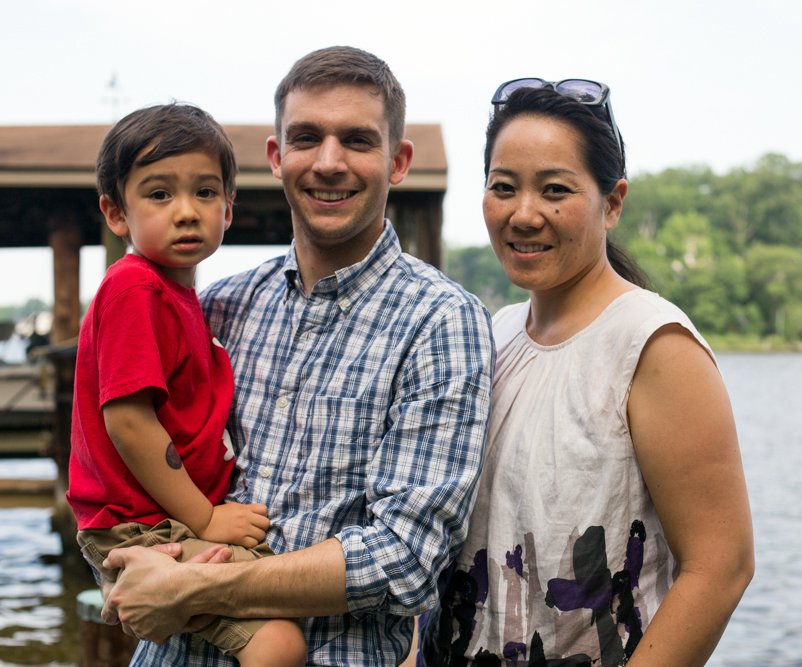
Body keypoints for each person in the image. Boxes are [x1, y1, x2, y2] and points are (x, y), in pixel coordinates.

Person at [100, 46, 495, 666]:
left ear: (398, 162)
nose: (329, 162)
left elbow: (405, 559)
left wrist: (193, 586)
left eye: (358, 141)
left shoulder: (442, 321)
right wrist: (126, 563)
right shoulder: (221, 306)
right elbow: (135, 452)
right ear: (277, 157)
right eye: (307, 138)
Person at [418, 80, 754, 666]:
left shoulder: (651, 344)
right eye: (503, 188)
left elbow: (721, 567)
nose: (524, 214)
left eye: (555, 190)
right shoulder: (494, 334)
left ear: (613, 201)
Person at [66, 103, 307, 667]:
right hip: (144, 526)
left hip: (159, 518)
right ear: (115, 212)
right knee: (279, 640)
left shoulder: (181, 299)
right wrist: (206, 518)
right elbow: (127, 420)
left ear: (228, 209)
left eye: (204, 192)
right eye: (158, 194)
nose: (185, 212)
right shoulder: (134, 291)